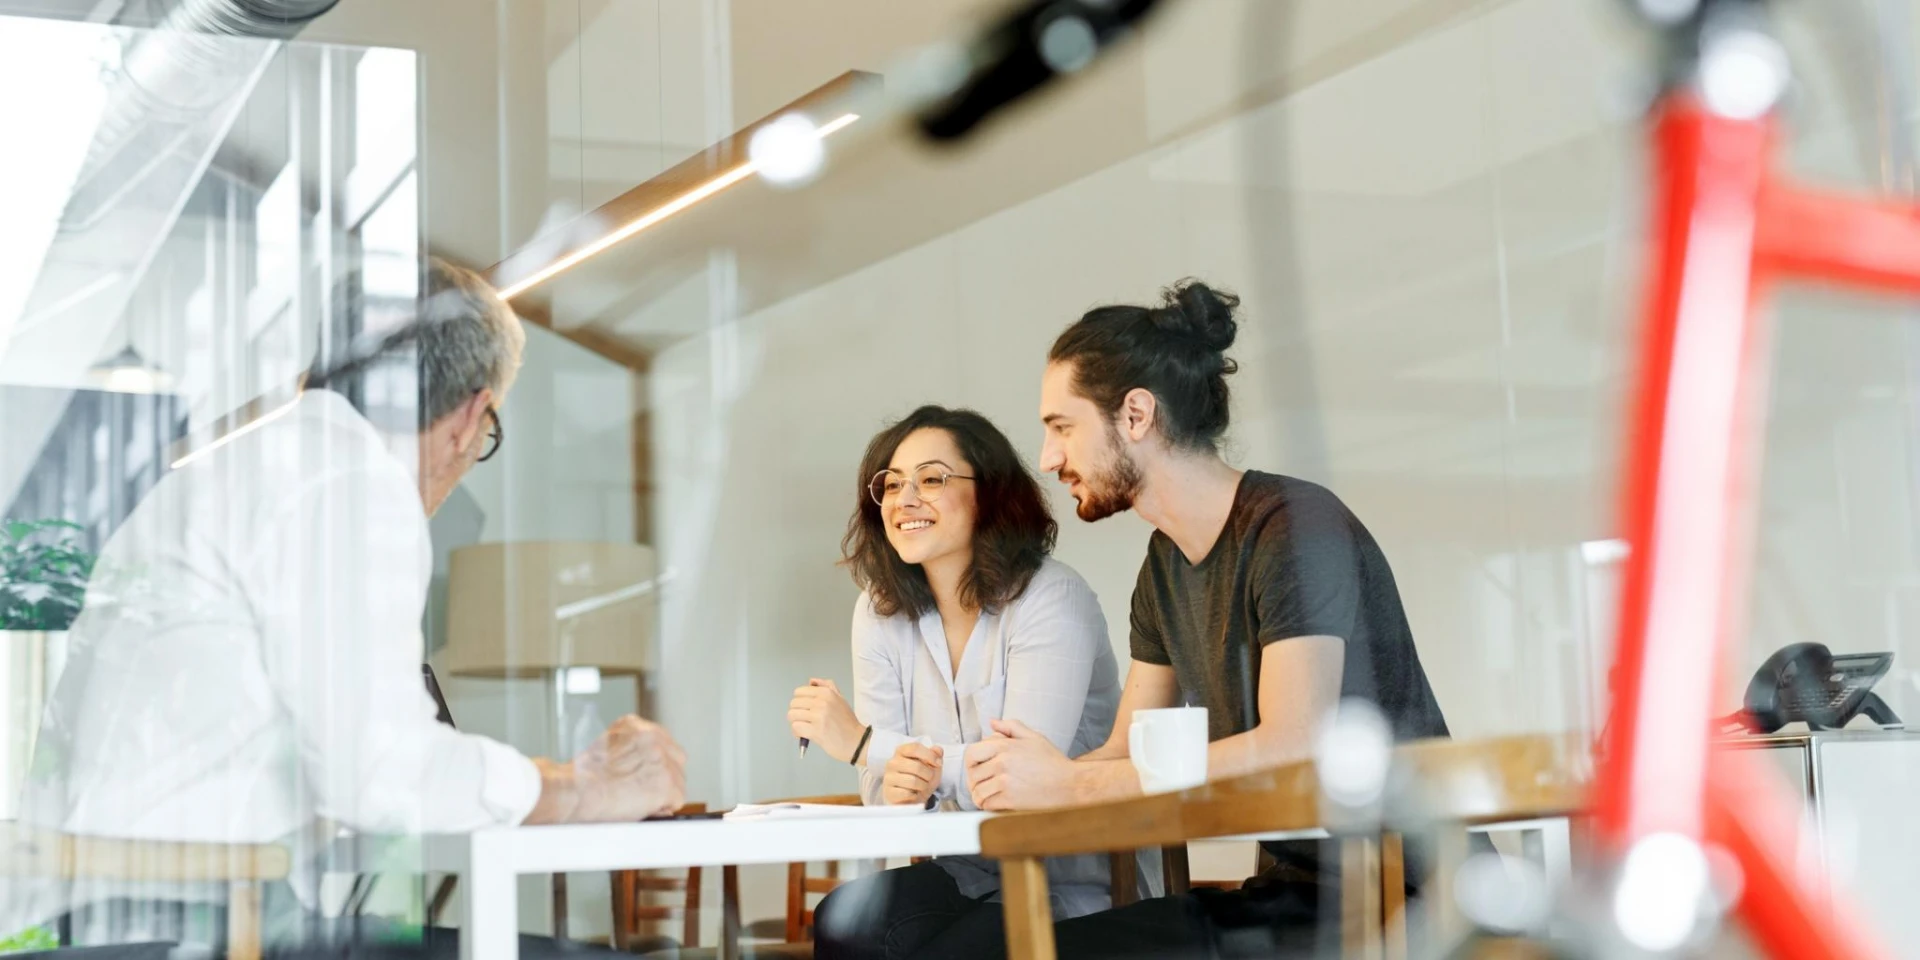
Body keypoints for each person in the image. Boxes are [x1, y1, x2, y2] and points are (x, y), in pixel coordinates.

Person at [14, 259, 686, 956]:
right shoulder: (351, 482)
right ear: (469, 417)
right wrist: (581, 789)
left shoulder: (242, 468)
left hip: (104, 920)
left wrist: (543, 781)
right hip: (188, 922)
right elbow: (381, 776)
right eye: (485, 435)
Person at [953, 280, 1452, 958]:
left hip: (1406, 898)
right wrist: (1027, 772)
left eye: (1061, 427)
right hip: (1294, 894)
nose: (1048, 459)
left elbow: (1290, 744)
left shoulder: (1294, 528)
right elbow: (1128, 748)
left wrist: (1069, 784)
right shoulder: (1161, 568)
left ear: (1136, 414)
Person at [786, 406, 1122, 960]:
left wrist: (868, 745)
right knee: (844, 924)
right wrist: (896, 788)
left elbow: (1020, 786)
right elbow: (881, 789)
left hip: (1070, 877)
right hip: (965, 874)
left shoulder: (1052, 598)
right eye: (891, 484)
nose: (904, 499)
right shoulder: (878, 611)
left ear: (988, 495)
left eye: (932, 479)